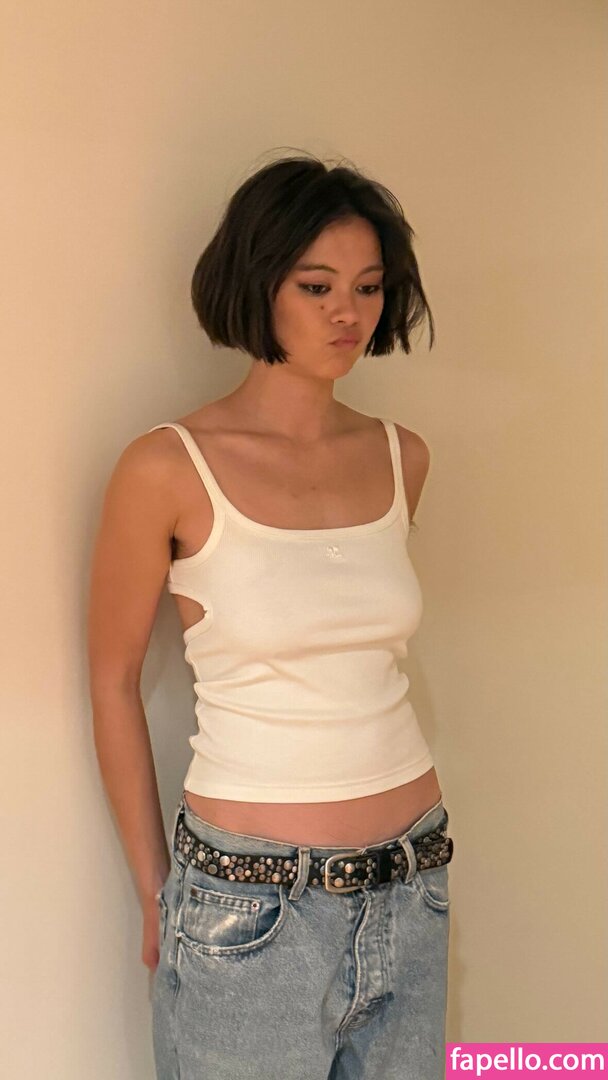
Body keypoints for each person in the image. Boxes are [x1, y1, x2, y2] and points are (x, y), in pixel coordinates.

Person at [87, 152, 454, 1080]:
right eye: (316, 285)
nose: (348, 313)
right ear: (259, 285)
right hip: (250, 908)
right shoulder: (166, 466)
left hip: (414, 883)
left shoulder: (402, 456)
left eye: (369, 286)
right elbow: (112, 679)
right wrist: (155, 891)